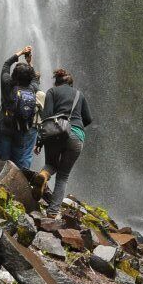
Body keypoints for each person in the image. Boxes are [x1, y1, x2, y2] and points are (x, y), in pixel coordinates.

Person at [32, 68, 92, 217]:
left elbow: (46, 118)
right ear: (71, 83)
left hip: (55, 133)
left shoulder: (52, 92)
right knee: (63, 175)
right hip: (76, 136)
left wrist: (39, 141)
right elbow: (88, 119)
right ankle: (52, 212)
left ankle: (44, 175)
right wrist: (75, 124)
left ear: (56, 82)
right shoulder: (80, 95)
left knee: (51, 164)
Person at [0, 45, 39, 170]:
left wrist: (20, 53)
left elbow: (6, 65)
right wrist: (30, 62)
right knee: (17, 162)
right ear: (29, 78)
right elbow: (35, 78)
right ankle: (14, 183)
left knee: (2, 160)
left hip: (6, 125)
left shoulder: (7, 84)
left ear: (14, 75)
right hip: (22, 128)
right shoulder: (33, 88)